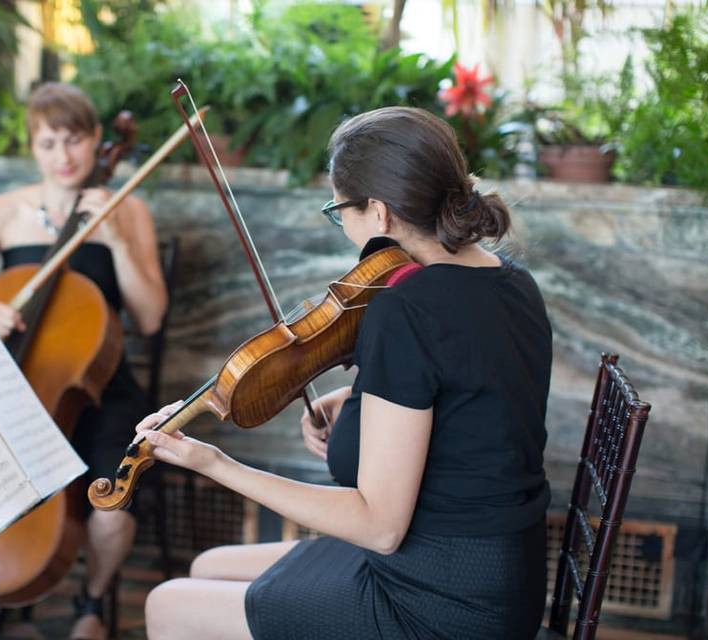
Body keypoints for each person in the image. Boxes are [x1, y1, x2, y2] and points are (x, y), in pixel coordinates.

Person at [135, 106, 552, 640]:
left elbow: (378, 526)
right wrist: (362, 393)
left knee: (170, 604)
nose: (345, 229)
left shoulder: (405, 308)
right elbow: (471, 389)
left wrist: (215, 463)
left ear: (378, 213)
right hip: (501, 576)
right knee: (207, 567)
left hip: (439, 599)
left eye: (340, 211)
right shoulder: (513, 281)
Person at [0, 82, 167, 640]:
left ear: (98, 140)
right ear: (32, 147)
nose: (64, 158)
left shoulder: (127, 209)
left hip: (104, 389)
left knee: (111, 510)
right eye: (49, 143)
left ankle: (92, 601)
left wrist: (117, 240)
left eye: (76, 141)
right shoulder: (0, 213)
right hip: (19, 388)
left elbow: (150, 317)